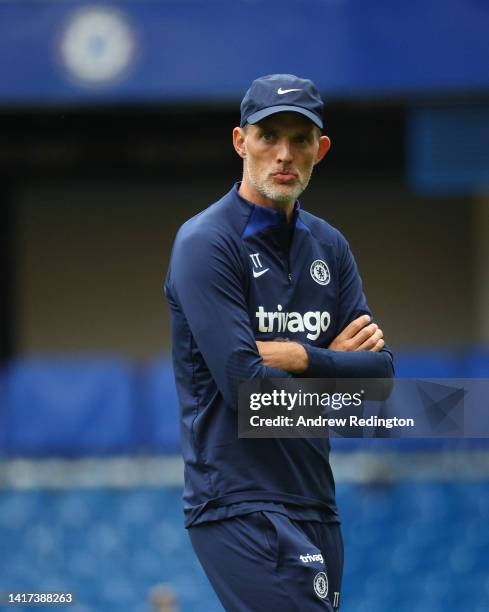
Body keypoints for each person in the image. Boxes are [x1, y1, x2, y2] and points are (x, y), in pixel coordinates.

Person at [165, 74, 394, 611]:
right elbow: (251, 393)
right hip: (238, 501)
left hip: (317, 501)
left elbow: (382, 383)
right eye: (269, 136)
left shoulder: (329, 246)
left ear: (322, 149)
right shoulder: (206, 243)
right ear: (241, 142)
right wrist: (337, 370)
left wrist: (298, 356)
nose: (284, 155)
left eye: (300, 139)